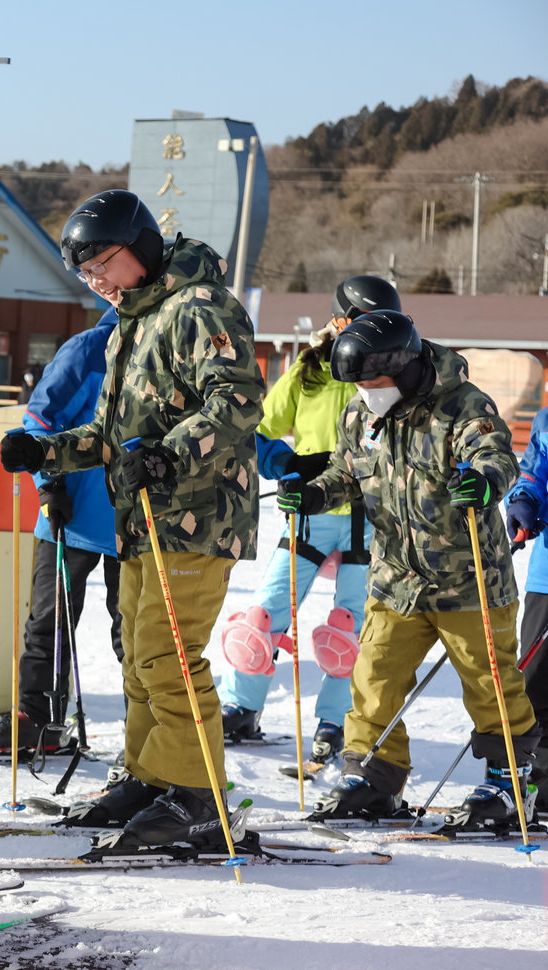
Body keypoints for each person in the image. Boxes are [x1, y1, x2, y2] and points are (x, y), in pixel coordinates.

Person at [0, 189, 263, 850]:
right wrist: (49, 452)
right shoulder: (132, 322)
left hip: (198, 513)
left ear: (141, 248)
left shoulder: (200, 308)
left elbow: (237, 400)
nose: (97, 282)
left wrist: (169, 456)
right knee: (142, 658)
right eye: (86, 274)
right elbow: (118, 435)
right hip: (142, 514)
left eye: (104, 265)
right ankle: (150, 775)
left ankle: (200, 795)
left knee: (168, 653)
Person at [283, 311, 541, 832]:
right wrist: (315, 492)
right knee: (373, 677)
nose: (364, 392)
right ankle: (376, 778)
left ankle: (510, 781)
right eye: (356, 384)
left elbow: (496, 454)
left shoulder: (463, 405)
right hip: (397, 578)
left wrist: (485, 481)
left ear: (400, 367)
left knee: (491, 683)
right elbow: (347, 471)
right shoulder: (360, 414)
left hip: (469, 579)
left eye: (372, 381)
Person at [217, 275, 401, 762]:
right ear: (339, 320)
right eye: (362, 322)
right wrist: (289, 465)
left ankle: (336, 721)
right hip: (310, 512)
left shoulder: (397, 372)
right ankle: (242, 704)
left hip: (372, 519)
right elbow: (256, 428)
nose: (371, 334)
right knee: (264, 612)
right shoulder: (309, 371)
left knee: (351, 626)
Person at [0, 307, 124, 763]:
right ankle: (37, 719)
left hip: (138, 519)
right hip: (75, 514)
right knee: (49, 623)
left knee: (138, 634)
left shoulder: (170, 352)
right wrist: (48, 486)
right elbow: (39, 422)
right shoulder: (91, 348)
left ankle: (154, 732)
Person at [503, 408, 548, 790]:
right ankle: (540, 784)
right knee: (534, 681)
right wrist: (526, 504)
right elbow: (533, 473)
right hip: (546, 576)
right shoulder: (547, 420)